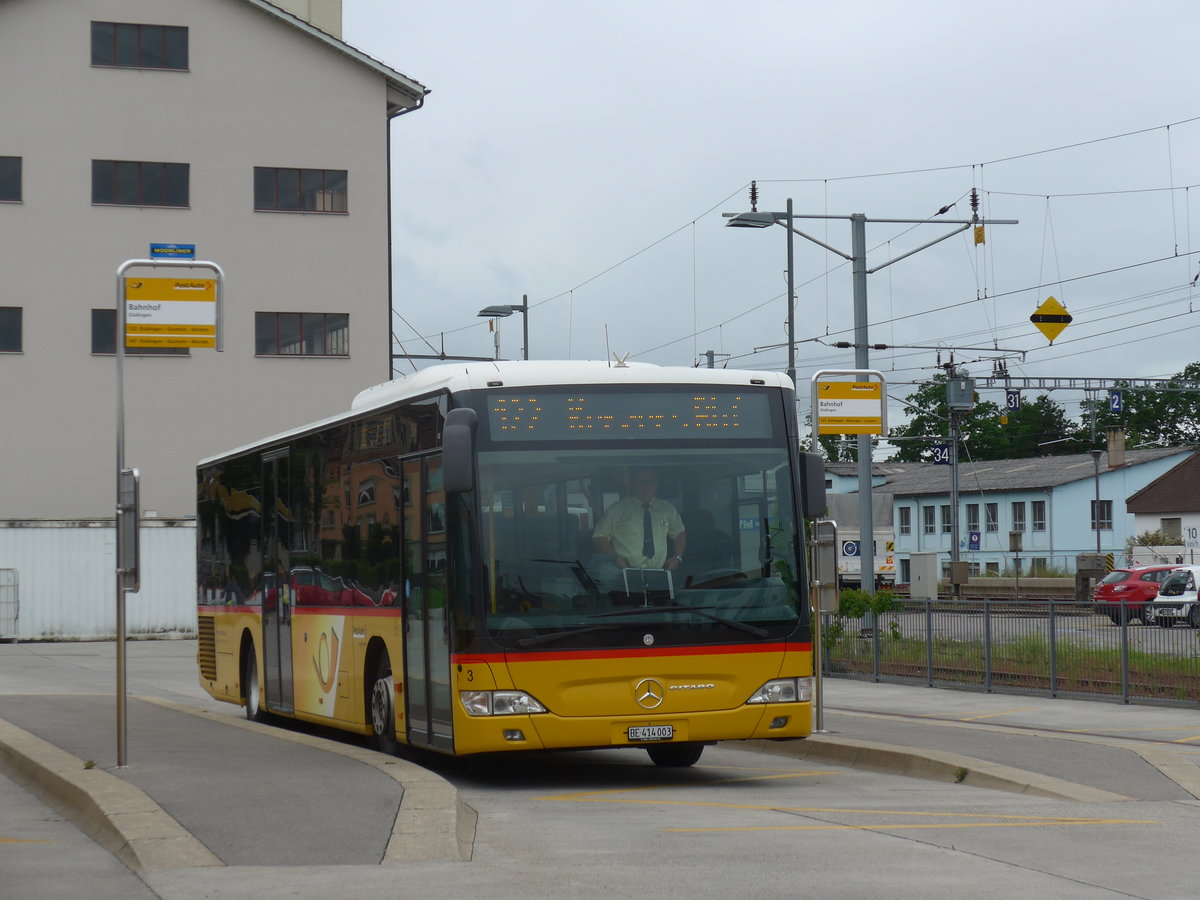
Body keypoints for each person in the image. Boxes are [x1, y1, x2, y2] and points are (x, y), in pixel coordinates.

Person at [592, 469, 686, 575]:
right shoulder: (617, 509)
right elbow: (599, 536)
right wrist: (614, 558)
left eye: (651, 482)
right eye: (642, 482)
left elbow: (679, 533)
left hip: (660, 573)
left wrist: (677, 558)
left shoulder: (667, 509)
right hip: (624, 573)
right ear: (632, 485)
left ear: (656, 485)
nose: (646, 487)